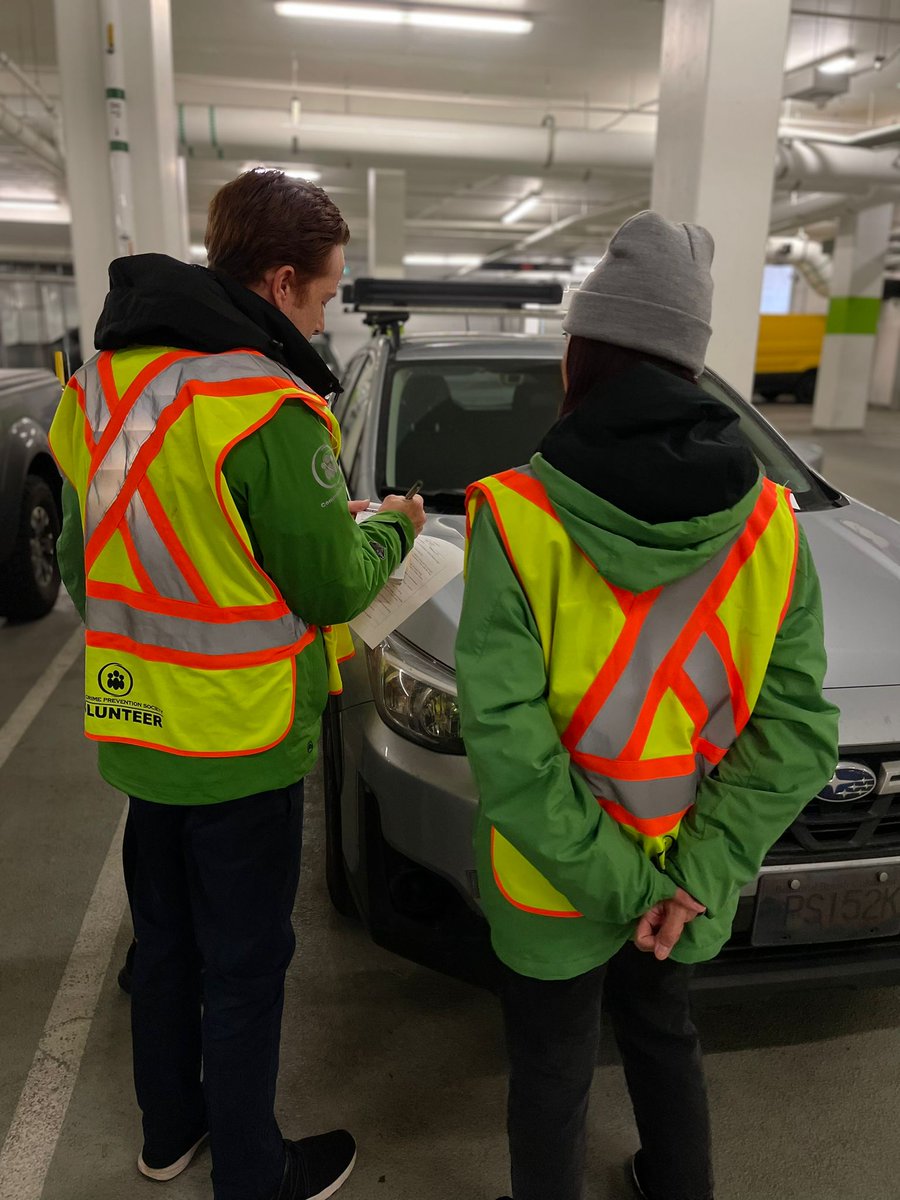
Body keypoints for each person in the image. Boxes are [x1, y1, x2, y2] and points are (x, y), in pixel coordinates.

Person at [50, 169, 424, 1200]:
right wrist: (396, 524)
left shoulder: (102, 391)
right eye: (327, 289)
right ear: (280, 280)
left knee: (163, 948)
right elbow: (333, 582)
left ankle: (167, 1133)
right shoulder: (265, 406)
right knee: (247, 966)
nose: (330, 308)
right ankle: (255, 1172)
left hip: (139, 728)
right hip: (241, 741)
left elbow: (92, 567)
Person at [455, 211, 839, 1200]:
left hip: (556, 883)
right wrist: (685, 880)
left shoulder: (518, 514)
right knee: (667, 1042)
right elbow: (795, 736)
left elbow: (505, 741)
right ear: (692, 369)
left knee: (550, 1072)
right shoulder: (771, 524)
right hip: (685, 875)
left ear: (580, 358)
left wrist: (622, 886)